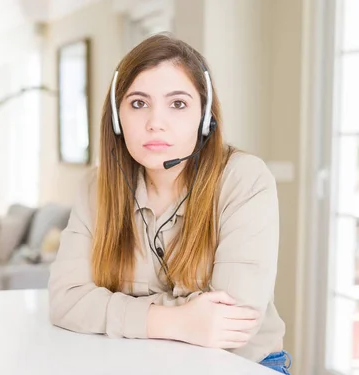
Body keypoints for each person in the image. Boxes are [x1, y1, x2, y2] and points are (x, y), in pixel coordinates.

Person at [48, 33, 290, 374]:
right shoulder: (96, 186)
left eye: (177, 104)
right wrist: (178, 320)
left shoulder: (244, 179)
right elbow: (65, 300)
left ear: (204, 117)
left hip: (239, 366)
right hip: (134, 363)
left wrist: (113, 310)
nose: (155, 123)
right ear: (117, 119)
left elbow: (231, 324)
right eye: (138, 103)